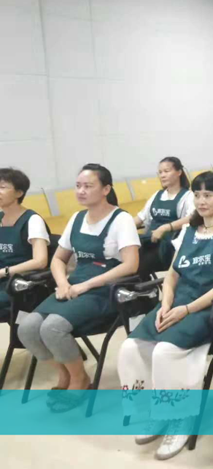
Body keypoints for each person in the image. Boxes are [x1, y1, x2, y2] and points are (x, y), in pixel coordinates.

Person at [119, 171, 213, 461]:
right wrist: (166, 303)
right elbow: (173, 274)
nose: (201, 201)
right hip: (176, 303)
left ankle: (180, 418)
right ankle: (155, 411)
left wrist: (188, 309)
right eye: (197, 195)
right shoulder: (189, 230)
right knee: (132, 346)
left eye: (208, 195)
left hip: (208, 308)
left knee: (165, 351)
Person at [18, 164, 140, 411]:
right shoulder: (76, 218)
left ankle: (79, 380)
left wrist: (86, 285)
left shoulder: (121, 219)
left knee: (52, 327)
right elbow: (57, 259)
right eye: (78, 186)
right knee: (28, 328)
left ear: (106, 189)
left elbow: (131, 265)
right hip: (74, 285)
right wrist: (63, 282)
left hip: (106, 290)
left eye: (88, 186)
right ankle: (66, 373)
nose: (81, 191)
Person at [0, 168, 51, 320]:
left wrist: (4, 272)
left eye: (2, 187)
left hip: (19, 285)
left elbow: (40, 261)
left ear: (19, 193)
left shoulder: (32, 220)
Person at [133, 157, 194, 279]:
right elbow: (140, 218)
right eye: (160, 172)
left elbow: (192, 217)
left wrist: (166, 227)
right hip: (150, 241)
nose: (162, 175)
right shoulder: (157, 195)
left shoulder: (188, 196)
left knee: (140, 264)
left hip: (169, 245)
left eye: (166, 171)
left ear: (179, 172)